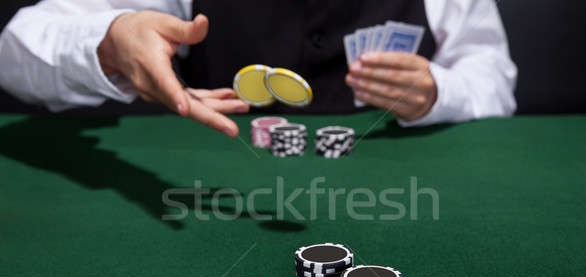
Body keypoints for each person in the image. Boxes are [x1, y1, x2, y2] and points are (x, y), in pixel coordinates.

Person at [0, 0, 517, 137]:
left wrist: (438, 90)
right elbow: (14, 50)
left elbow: (495, 78)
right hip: (216, 177)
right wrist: (110, 42)